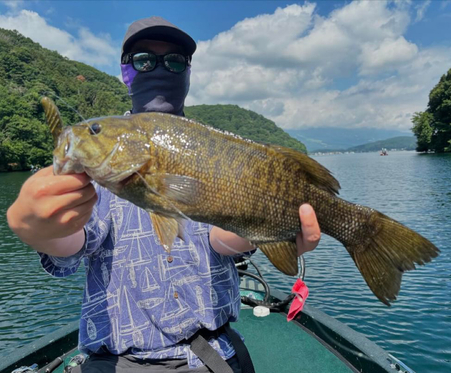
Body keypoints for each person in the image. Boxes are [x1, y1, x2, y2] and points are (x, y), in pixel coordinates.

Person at [6, 16, 321, 373]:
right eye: (144, 60)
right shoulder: (95, 169)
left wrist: (267, 230)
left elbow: (219, 241)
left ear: (187, 73)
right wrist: (42, 231)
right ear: (126, 71)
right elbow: (77, 242)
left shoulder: (210, 147)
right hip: (121, 361)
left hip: (215, 354)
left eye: (174, 61)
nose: (160, 69)